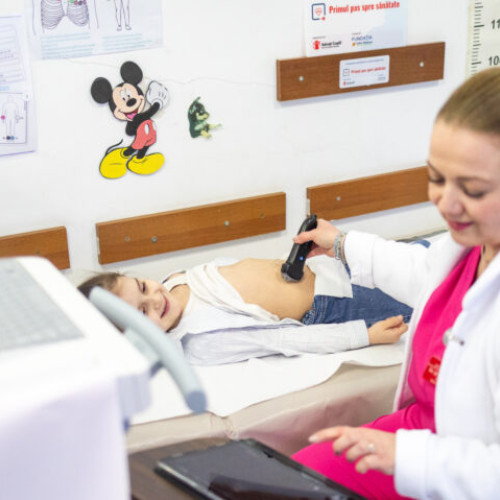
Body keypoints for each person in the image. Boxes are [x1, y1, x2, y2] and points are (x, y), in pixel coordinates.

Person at [291, 68, 500, 499]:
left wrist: (410, 459)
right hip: (425, 431)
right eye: (436, 178)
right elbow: (422, 272)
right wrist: (342, 244)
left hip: (465, 470)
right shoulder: (471, 246)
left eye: (473, 190)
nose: (446, 203)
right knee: (291, 480)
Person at [78, 254, 412, 365]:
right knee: (431, 293)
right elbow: (283, 341)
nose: (155, 299)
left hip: (329, 268)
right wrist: (364, 336)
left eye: (142, 286)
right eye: (141, 313)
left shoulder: (173, 281)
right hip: (336, 305)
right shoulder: (200, 338)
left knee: (422, 261)